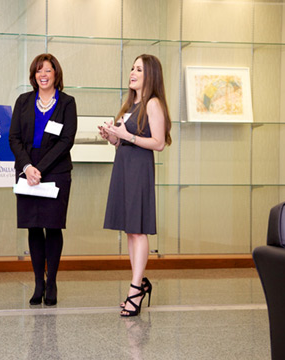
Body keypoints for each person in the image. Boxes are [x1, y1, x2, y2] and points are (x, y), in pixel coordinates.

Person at [99, 54, 172, 317]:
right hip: (124, 167)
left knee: (138, 230)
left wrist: (126, 134)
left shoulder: (153, 104)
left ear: (150, 75)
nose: (132, 72)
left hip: (139, 170)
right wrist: (112, 137)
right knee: (130, 231)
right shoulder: (130, 104)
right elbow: (125, 141)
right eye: (132, 68)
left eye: (138, 69)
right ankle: (138, 284)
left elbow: (159, 142)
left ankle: (135, 290)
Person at [9, 53, 77, 306]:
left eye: (48, 70)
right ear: (33, 75)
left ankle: (52, 283)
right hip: (27, 169)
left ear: (56, 74)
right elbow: (13, 138)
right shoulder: (24, 101)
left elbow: (66, 140)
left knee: (53, 226)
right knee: (34, 226)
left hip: (56, 171)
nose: (43, 75)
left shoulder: (67, 103)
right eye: (39, 70)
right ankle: (38, 281)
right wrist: (28, 167)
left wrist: (40, 168)